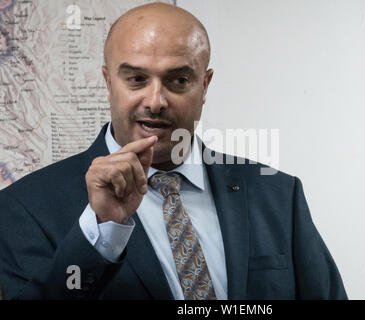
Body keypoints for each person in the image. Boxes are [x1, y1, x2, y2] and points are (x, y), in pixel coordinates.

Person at [0, 3, 347, 300]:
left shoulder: (277, 194)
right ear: (108, 83)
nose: (155, 101)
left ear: (204, 85)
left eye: (178, 81)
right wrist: (103, 230)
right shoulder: (24, 209)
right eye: (136, 79)